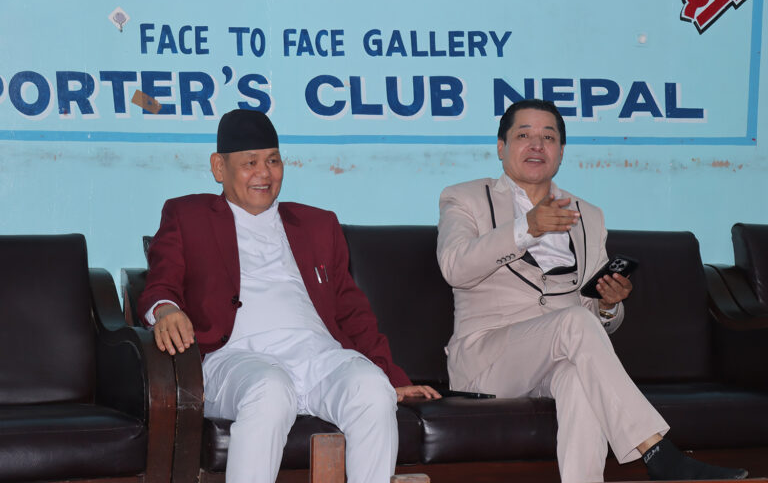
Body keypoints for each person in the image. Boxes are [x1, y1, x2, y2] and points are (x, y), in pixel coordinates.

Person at [436, 99, 747, 483]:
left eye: (549, 137)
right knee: (573, 323)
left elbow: (590, 312)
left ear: (561, 152)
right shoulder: (465, 199)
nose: (537, 145)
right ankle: (658, 452)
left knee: (579, 380)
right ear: (501, 147)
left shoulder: (588, 216)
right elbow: (455, 268)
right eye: (524, 135)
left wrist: (608, 304)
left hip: (556, 357)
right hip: (487, 363)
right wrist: (526, 228)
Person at [139, 109, 440, 483]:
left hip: (317, 358)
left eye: (273, 161)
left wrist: (391, 377)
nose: (264, 173)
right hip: (236, 359)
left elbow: (352, 312)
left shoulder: (317, 224)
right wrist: (165, 310)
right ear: (219, 167)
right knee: (270, 389)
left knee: (372, 389)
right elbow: (160, 284)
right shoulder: (188, 215)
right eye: (250, 163)